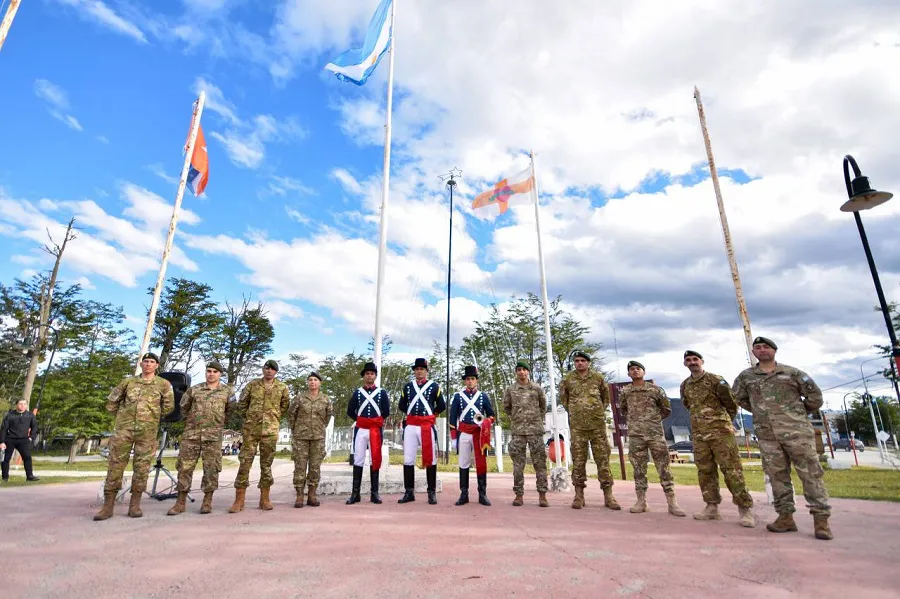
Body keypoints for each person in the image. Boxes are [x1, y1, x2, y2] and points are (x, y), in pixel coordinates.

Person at [733, 336, 832, 540]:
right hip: (768, 435)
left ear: (774, 350)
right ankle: (785, 517)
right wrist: (761, 413)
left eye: (766, 347)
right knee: (777, 476)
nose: (762, 350)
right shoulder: (746, 377)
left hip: (797, 433)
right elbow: (739, 398)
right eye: (758, 348)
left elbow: (815, 397)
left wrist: (795, 413)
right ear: (754, 353)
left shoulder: (792, 373)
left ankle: (821, 521)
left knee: (810, 475)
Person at [94, 352, 174, 521]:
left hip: (147, 432)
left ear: (157, 365)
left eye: (152, 362)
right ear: (141, 363)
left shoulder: (163, 384)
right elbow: (111, 402)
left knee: (142, 467)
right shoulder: (128, 382)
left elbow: (168, 407)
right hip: (124, 430)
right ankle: (108, 506)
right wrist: (123, 416)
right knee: (115, 465)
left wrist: (152, 418)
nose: (148, 364)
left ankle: (135, 505)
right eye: (145, 361)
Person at [680, 350, 755, 527]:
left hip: (721, 433)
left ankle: (745, 509)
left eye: (695, 359)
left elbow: (731, 403)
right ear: (685, 364)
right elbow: (688, 405)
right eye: (688, 360)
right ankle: (711, 507)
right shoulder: (685, 385)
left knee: (731, 470)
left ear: (702, 361)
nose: (692, 362)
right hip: (699, 435)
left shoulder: (716, 380)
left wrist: (722, 423)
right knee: (705, 471)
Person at [619, 360, 685, 517]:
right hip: (636, 436)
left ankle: (672, 502)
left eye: (638, 369)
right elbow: (624, 409)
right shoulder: (625, 391)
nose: (635, 371)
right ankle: (641, 501)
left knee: (663, 467)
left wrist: (652, 421)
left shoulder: (656, 390)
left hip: (655, 434)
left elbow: (666, 409)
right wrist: (638, 422)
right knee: (638, 469)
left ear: (644, 372)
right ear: (628, 374)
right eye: (632, 369)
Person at [167, 360, 233, 516]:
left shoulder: (227, 392)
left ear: (220, 374)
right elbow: (184, 407)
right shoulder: (194, 390)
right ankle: (180, 502)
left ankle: (207, 501)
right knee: (184, 468)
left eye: (215, 372)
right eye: (209, 371)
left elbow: (230, 411)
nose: (211, 374)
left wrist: (217, 424)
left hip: (213, 436)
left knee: (211, 469)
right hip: (192, 435)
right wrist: (193, 422)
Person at [559, 350, 620, 510]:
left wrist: (595, 411)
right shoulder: (568, 380)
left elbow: (605, 398)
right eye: (577, 361)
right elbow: (564, 400)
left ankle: (608, 495)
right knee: (578, 462)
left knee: (603, 461)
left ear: (588, 363)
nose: (579, 363)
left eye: (582, 361)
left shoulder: (598, 378)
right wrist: (576, 411)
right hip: (578, 427)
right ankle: (579, 495)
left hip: (597, 426)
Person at [228, 359, 290, 513]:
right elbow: (242, 403)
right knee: (245, 462)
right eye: (267, 368)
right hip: (251, 430)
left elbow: (285, 406)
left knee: (267, 464)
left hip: (269, 431)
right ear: (263, 369)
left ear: (276, 372)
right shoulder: (252, 384)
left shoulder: (282, 387)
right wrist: (250, 417)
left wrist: (273, 418)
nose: (269, 371)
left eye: (272, 369)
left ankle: (265, 498)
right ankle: (239, 500)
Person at [397, 357, 445, 504]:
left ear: (426, 371)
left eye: (422, 369)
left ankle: (431, 492)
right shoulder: (408, 387)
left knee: (430, 459)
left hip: (426, 426)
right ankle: (409, 492)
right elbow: (401, 405)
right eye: (417, 369)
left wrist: (430, 415)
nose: (419, 371)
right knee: (408, 459)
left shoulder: (434, 386)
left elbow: (441, 405)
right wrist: (413, 415)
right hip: (411, 425)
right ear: (414, 371)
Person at [502, 360, 549, 507]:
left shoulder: (536, 388)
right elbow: (506, 407)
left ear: (528, 371)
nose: (522, 372)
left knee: (540, 464)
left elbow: (543, 406)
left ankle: (542, 495)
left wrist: (534, 418)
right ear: (516, 372)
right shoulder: (511, 389)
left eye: (524, 370)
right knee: (518, 465)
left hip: (535, 431)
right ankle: (518, 495)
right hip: (518, 432)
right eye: (519, 370)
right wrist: (517, 418)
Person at [345, 361, 391, 505]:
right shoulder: (358, 392)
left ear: (375, 376)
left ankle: (374, 493)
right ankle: (355, 493)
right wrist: (362, 421)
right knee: (358, 459)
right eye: (367, 373)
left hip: (375, 430)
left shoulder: (382, 393)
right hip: (361, 429)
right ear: (364, 376)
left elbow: (386, 411)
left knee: (374, 459)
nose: (369, 375)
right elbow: (350, 411)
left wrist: (374, 422)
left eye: (372, 373)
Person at [449, 365, 494, 506]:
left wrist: (486, 422)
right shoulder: (458, 396)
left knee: (481, 464)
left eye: (472, 379)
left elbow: (492, 415)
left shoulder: (483, 396)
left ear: (476, 381)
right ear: (465, 381)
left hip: (480, 434)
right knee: (463, 463)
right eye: (468, 379)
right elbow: (452, 418)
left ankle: (482, 494)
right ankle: (464, 494)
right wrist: (454, 438)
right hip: (464, 432)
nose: (470, 381)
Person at [288, 371, 333, 508]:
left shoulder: (325, 399)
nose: (312, 382)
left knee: (314, 467)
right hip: (301, 437)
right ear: (307, 382)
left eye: (315, 380)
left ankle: (312, 495)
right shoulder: (299, 398)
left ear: (320, 383)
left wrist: (319, 428)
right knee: (300, 467)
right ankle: (299, 495)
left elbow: (327, 417)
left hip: (318, 438)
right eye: (310, 380)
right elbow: (291, 415)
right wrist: (296, 430)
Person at [1, 398, 39, 482]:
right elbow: (4, 428)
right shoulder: (10, 415)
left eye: (24, 404)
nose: (22, 406)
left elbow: (34, 427)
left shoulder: (30, 415)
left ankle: (29, 476)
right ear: (17, 405)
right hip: (10, 439)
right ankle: (5, 478)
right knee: (5, 459)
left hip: (24, 440)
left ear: (26, 405)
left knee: (27, 458)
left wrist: (31, 438)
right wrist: (2, 442)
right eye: (20, 404)